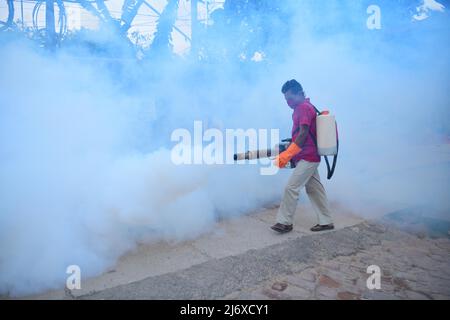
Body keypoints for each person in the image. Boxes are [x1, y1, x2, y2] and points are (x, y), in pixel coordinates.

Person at [271, 80, 334, 234]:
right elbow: (301, 133)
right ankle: (326, 221)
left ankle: (284, 222)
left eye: (290, 98)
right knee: (314, 189)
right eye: (286, 100)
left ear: (300, 94)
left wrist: (287, 155)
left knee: (291, 188)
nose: (288, 102)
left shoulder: (302, 108)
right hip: (308, 155)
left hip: (308, 156)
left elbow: (303, 133)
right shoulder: (306, 106)